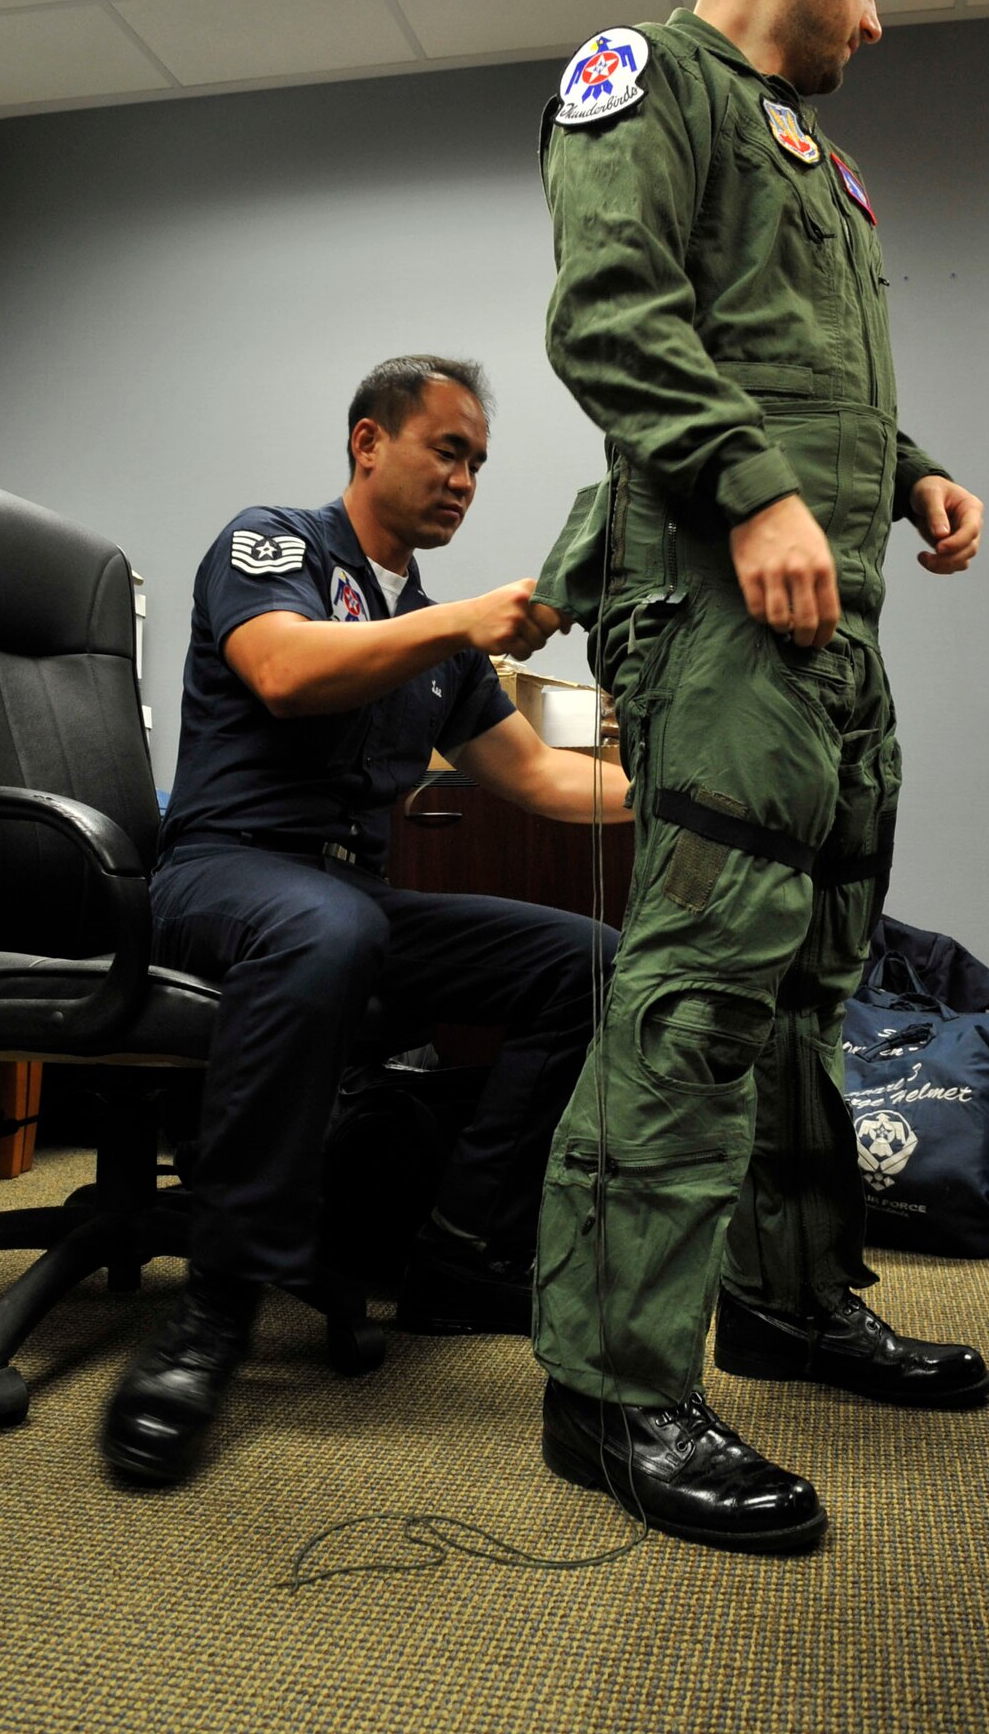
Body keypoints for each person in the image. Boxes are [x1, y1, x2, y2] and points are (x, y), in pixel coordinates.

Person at [527, 0, 989, 1555]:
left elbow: (793, 355)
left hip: (829, 622)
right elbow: (613, 310)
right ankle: (609, 1388)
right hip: (713, 600)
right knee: (701, 991)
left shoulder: (819, 163)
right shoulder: (650, 80)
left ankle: (788, 1301)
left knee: (806, 988)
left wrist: (911, 466)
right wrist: (750, 485)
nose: (873, 16)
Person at [102, 354, 628, 1485]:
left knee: (588, 963)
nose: (465, 479)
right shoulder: (276, 544)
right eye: (447, 449)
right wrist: (463, 626)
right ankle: (214, 1310)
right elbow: (285, 670)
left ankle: (457, 1250)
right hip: (223, 870)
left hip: (352, 891)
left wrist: (694, 792)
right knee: (324, 931)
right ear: (366, 443)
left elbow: (539, 777)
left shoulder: (433, 636)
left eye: (478, 462)